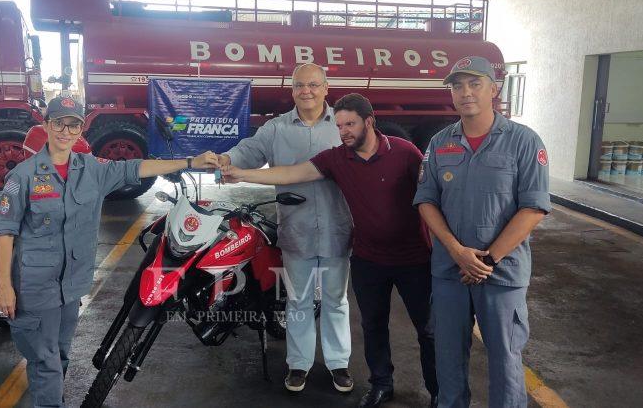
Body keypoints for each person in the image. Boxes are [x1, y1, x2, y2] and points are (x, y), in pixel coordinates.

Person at [0, 95, 219, 407]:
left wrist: (190, 162)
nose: (65, 131)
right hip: (35, 285)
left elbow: (137, 167)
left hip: (71, 285)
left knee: (60, 354)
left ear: (80, 130)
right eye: (58, 123)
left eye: (73, 125)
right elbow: (5, 232)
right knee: (45, 361)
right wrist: (4, 286)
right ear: (46, 125)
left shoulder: (92, 169)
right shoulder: (23, 176)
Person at [221, 93, 439, 408]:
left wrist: (449, 247)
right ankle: (381, 384)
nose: (344, 131)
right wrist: (242, 174)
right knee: (373, 325)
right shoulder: (337, 157)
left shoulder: (405, 153)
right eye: (339, 126)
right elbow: (290, 173)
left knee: (428, 330)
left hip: (413, 258)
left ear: (369, 122)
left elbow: (431, 197)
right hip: (368, 258)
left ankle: (439, 392)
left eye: (350, 124)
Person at [413, 56, 550, 408]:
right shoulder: (440, 143)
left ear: (495, 89)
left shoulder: (523, 141)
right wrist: (458, 251)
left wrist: (488, 259)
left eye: (474, 83)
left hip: (501, 274)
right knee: (448, 359)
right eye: (457, 85)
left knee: (505, 361)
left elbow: (533, 208)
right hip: (450, 272)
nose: (465, 92)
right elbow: (426, 201)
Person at [217, 63, 354, 393]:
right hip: (296, 229)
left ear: (325, 88)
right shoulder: (276, 129)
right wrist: (227, 159)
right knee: (299, 300)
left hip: (337, 228)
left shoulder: (343, 125)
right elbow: (248, 151)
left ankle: (338, 364)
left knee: (336, 299)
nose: (305, 91)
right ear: (292, 90)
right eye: (298, 85)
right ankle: (299, 364)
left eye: (312, 84)